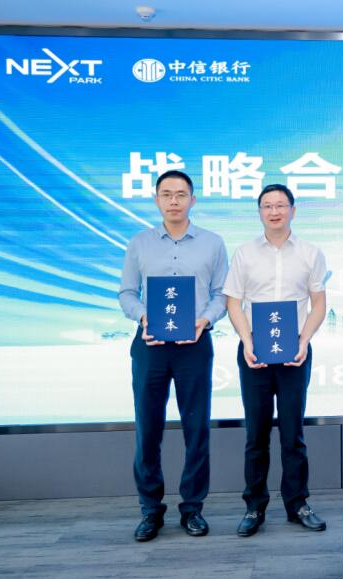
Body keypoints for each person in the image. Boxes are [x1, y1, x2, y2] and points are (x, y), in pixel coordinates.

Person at [118, 170, 228, 541]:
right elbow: (127, 293)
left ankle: (192, 508)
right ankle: (150, 509)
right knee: (148, 429)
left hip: (194, 345)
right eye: (166, 194)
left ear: (192, 200)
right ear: (156, 200)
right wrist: (143, 316)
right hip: (150, 346)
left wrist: (205, 320)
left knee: (197, 429)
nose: (174, 201)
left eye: (181, 194)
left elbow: (221, 294)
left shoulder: (212, 243)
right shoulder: (139, 243)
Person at [223, 183, 327, 536]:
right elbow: (233, 302)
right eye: (267, 205)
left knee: (293, 433)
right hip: (255, 352)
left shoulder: (311, 253)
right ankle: (254, 507)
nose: (274, 211)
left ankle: (298, 504)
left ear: (293, 210)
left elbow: (318, 304)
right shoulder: (244, 253)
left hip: (295, 353)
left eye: (281, 205)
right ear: (259, 212)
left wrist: (304, 340)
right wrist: (246, 340)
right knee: (256, 434)